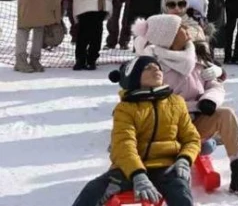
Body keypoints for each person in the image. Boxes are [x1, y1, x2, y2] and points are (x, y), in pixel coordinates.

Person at [133, 14, 238, 197]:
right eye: (181, 28)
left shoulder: (195, 57)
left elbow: (214, 84)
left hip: (196, 121)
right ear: (169, 36)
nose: (187, 30)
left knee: (226, 114)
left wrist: (210, 99)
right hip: (166, 131)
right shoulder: (152, 66)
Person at [71, 55, 200, 206]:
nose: (156, 70)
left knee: (181, 194)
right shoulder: (126, 108)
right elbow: (123, 144)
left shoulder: (176, 102)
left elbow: (191, 138)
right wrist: (137, 174)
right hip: (128, 168)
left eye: (158, 67)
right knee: (93, 190)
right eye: (148, 68)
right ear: (135, 76)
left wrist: (185, 159)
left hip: (166, 166)